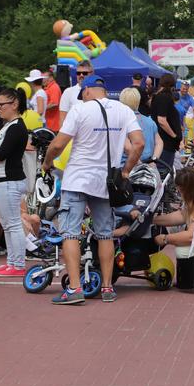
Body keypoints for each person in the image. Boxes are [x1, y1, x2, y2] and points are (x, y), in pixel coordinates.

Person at [42, 75, 144, 304]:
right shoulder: (124, 110)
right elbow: (138, 143)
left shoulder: (80, 109)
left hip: (77, 179)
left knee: (70, 233)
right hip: (106, 181)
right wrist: (126, 171)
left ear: (87, 91)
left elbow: (58, 144)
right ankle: (107, 287)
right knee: (105, 234)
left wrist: (47, 163)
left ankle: (75, 289)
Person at [0, 88, 29, 277]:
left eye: (2, 104)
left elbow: (1, 155)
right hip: (3, 182)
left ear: (14, 104)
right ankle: (12, 262)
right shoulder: (10, 126)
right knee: (7, 224)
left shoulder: (16, 127)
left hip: (9, 182)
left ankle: (18, 264)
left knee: (13, 225)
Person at [118, 88, 162, 164]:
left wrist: (140, 164)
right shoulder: (150, 121)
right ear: (138, 101)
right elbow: (159, 142)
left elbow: (127, 148)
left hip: (127, 166)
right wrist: (154, 161)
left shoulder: (120, 123)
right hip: (148, 165)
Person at [149, 74, 181, 170]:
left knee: (163, 169)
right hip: (165, 142)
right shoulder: (164, 97)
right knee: (164, 170)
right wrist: (174, 136)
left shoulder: (158, 97)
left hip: (163, 141)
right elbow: (162, 120)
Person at [59, 60, 93, 126]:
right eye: (78, 73)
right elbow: (62, 118)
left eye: (84, 73)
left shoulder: (97, 91)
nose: (81, 75)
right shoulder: (68, 92)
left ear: (91, 74)